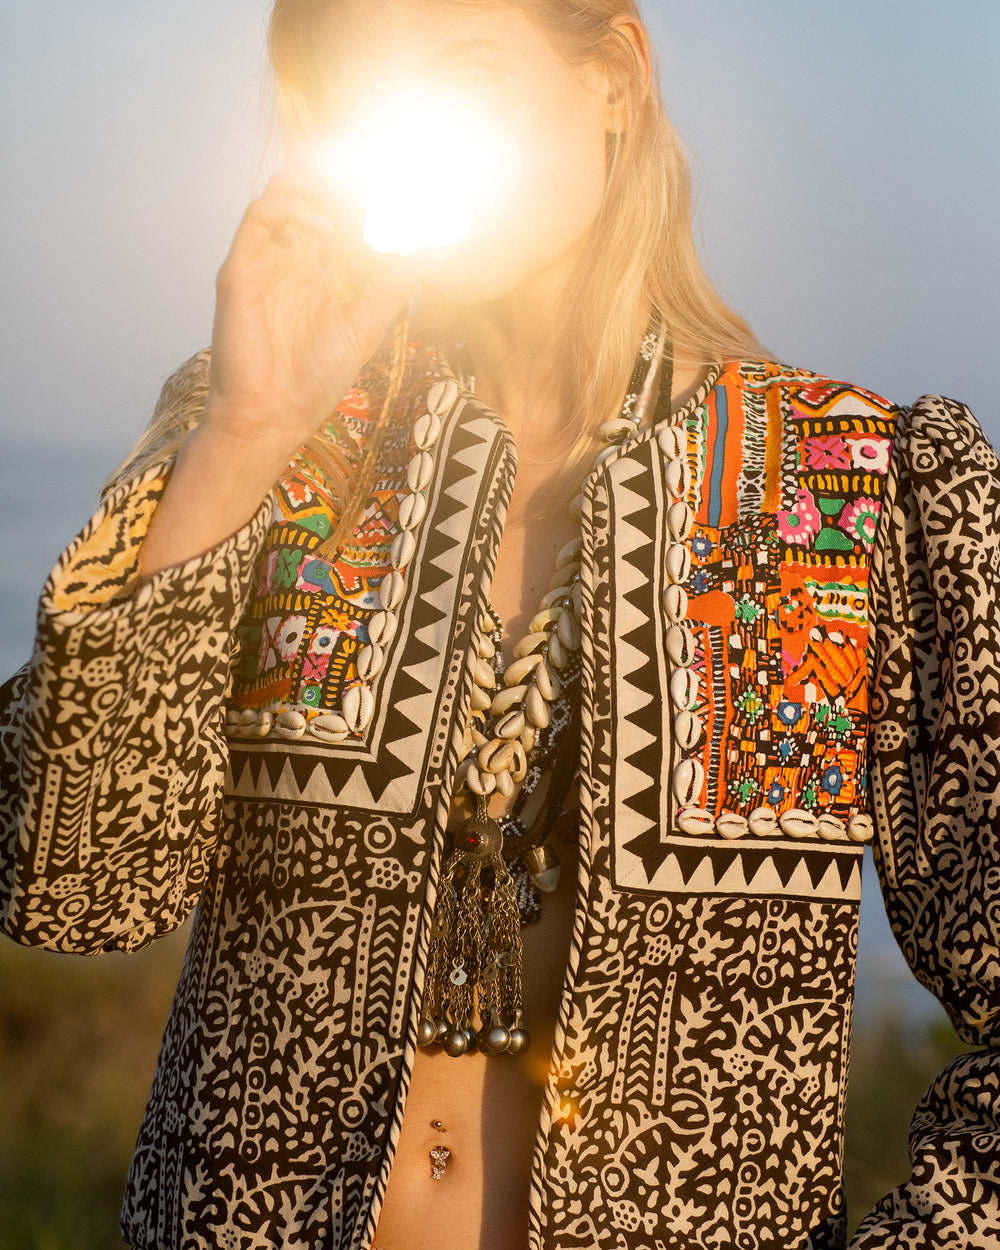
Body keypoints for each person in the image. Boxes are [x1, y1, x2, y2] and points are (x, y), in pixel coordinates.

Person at [1, 1, 998, 1248]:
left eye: (462, 69)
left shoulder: (854, 489)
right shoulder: (262, 430)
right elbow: (73, 884)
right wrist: (248, 433)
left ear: (614, 79)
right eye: (371, 92)